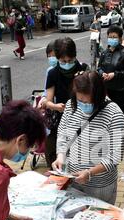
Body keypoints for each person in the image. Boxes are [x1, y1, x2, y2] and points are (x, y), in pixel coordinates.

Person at [52, 71, 124, 204]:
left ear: (99, 96)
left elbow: (115, 156)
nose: (83, 105)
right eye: (80, 100)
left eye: (88, 102)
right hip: (72, 179)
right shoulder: (71, 105)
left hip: (99, 186)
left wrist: (90, 173)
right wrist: (60, 156)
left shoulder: (114, 113)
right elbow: (63, 133)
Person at [42, 37, 88, 168]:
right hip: (60, 119)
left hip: (81, 120)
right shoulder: (53, 73)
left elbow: (92, 96)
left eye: (70, 60)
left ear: (75, 56)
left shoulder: (83, 70)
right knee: (55, 153)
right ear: (57, 58)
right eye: (63, 61)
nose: (67, 64)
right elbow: (48, 100)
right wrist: (56, 106)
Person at [98, 25, 124, 114]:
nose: (112, 39)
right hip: (106, 87)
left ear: (120, 39)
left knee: (118, 112)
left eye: (114, 37)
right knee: (106, 111)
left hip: (120, 89)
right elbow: (99, 67)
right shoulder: (104, 53)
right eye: (110, 37)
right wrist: (102, 73)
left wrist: (114, 74)